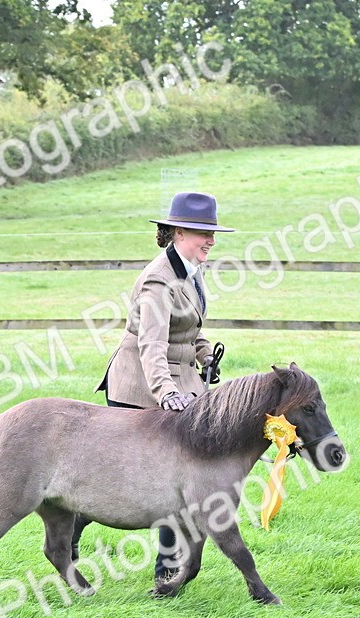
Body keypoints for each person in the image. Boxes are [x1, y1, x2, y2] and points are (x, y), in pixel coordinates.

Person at [74, 191, 234, 584]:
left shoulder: (190, 270)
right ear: (179, 232)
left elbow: (187, 329)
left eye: (213, 233)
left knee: (180, 481)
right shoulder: (158, 280)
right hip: (139, 386)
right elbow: (151, 343)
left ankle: (168, 568)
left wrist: (204, 355)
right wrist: (166, 394)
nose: (211, 240)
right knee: (137, 481)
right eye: (204, 233)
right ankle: (73, 526)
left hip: (178, 382)